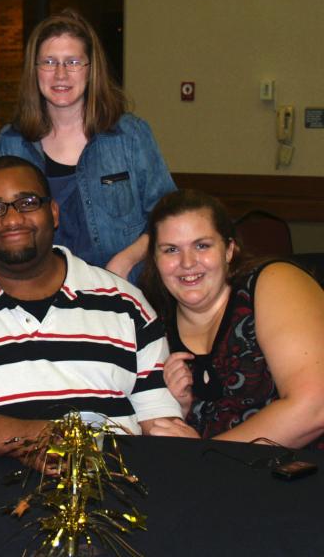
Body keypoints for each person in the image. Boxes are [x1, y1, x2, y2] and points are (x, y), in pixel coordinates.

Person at [0, 157, 181, 462]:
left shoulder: (127, 304)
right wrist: (32, 440)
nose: (12, 219)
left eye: (27, 202)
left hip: (111, 492)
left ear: (53, 212)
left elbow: (158, 421)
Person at [0, 9, 175, 282]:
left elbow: (169, 215)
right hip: (42, 293)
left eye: (73, 62)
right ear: (34, 71)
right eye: (49, 62)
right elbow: (2, 226)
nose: (61, 74)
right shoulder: (12, 142)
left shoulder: (130, 135)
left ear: (91, 70)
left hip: (124, 291)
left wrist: (125, 261)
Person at [138, 189, 324, 449]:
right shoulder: (151, 322)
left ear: (229, 250)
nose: (187, 262)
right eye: (170, 250)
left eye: (202, 246)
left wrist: (207, 454)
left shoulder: (272, 282)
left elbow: (315, 406)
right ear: (155, 260)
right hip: (214, 483)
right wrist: (177, 408)